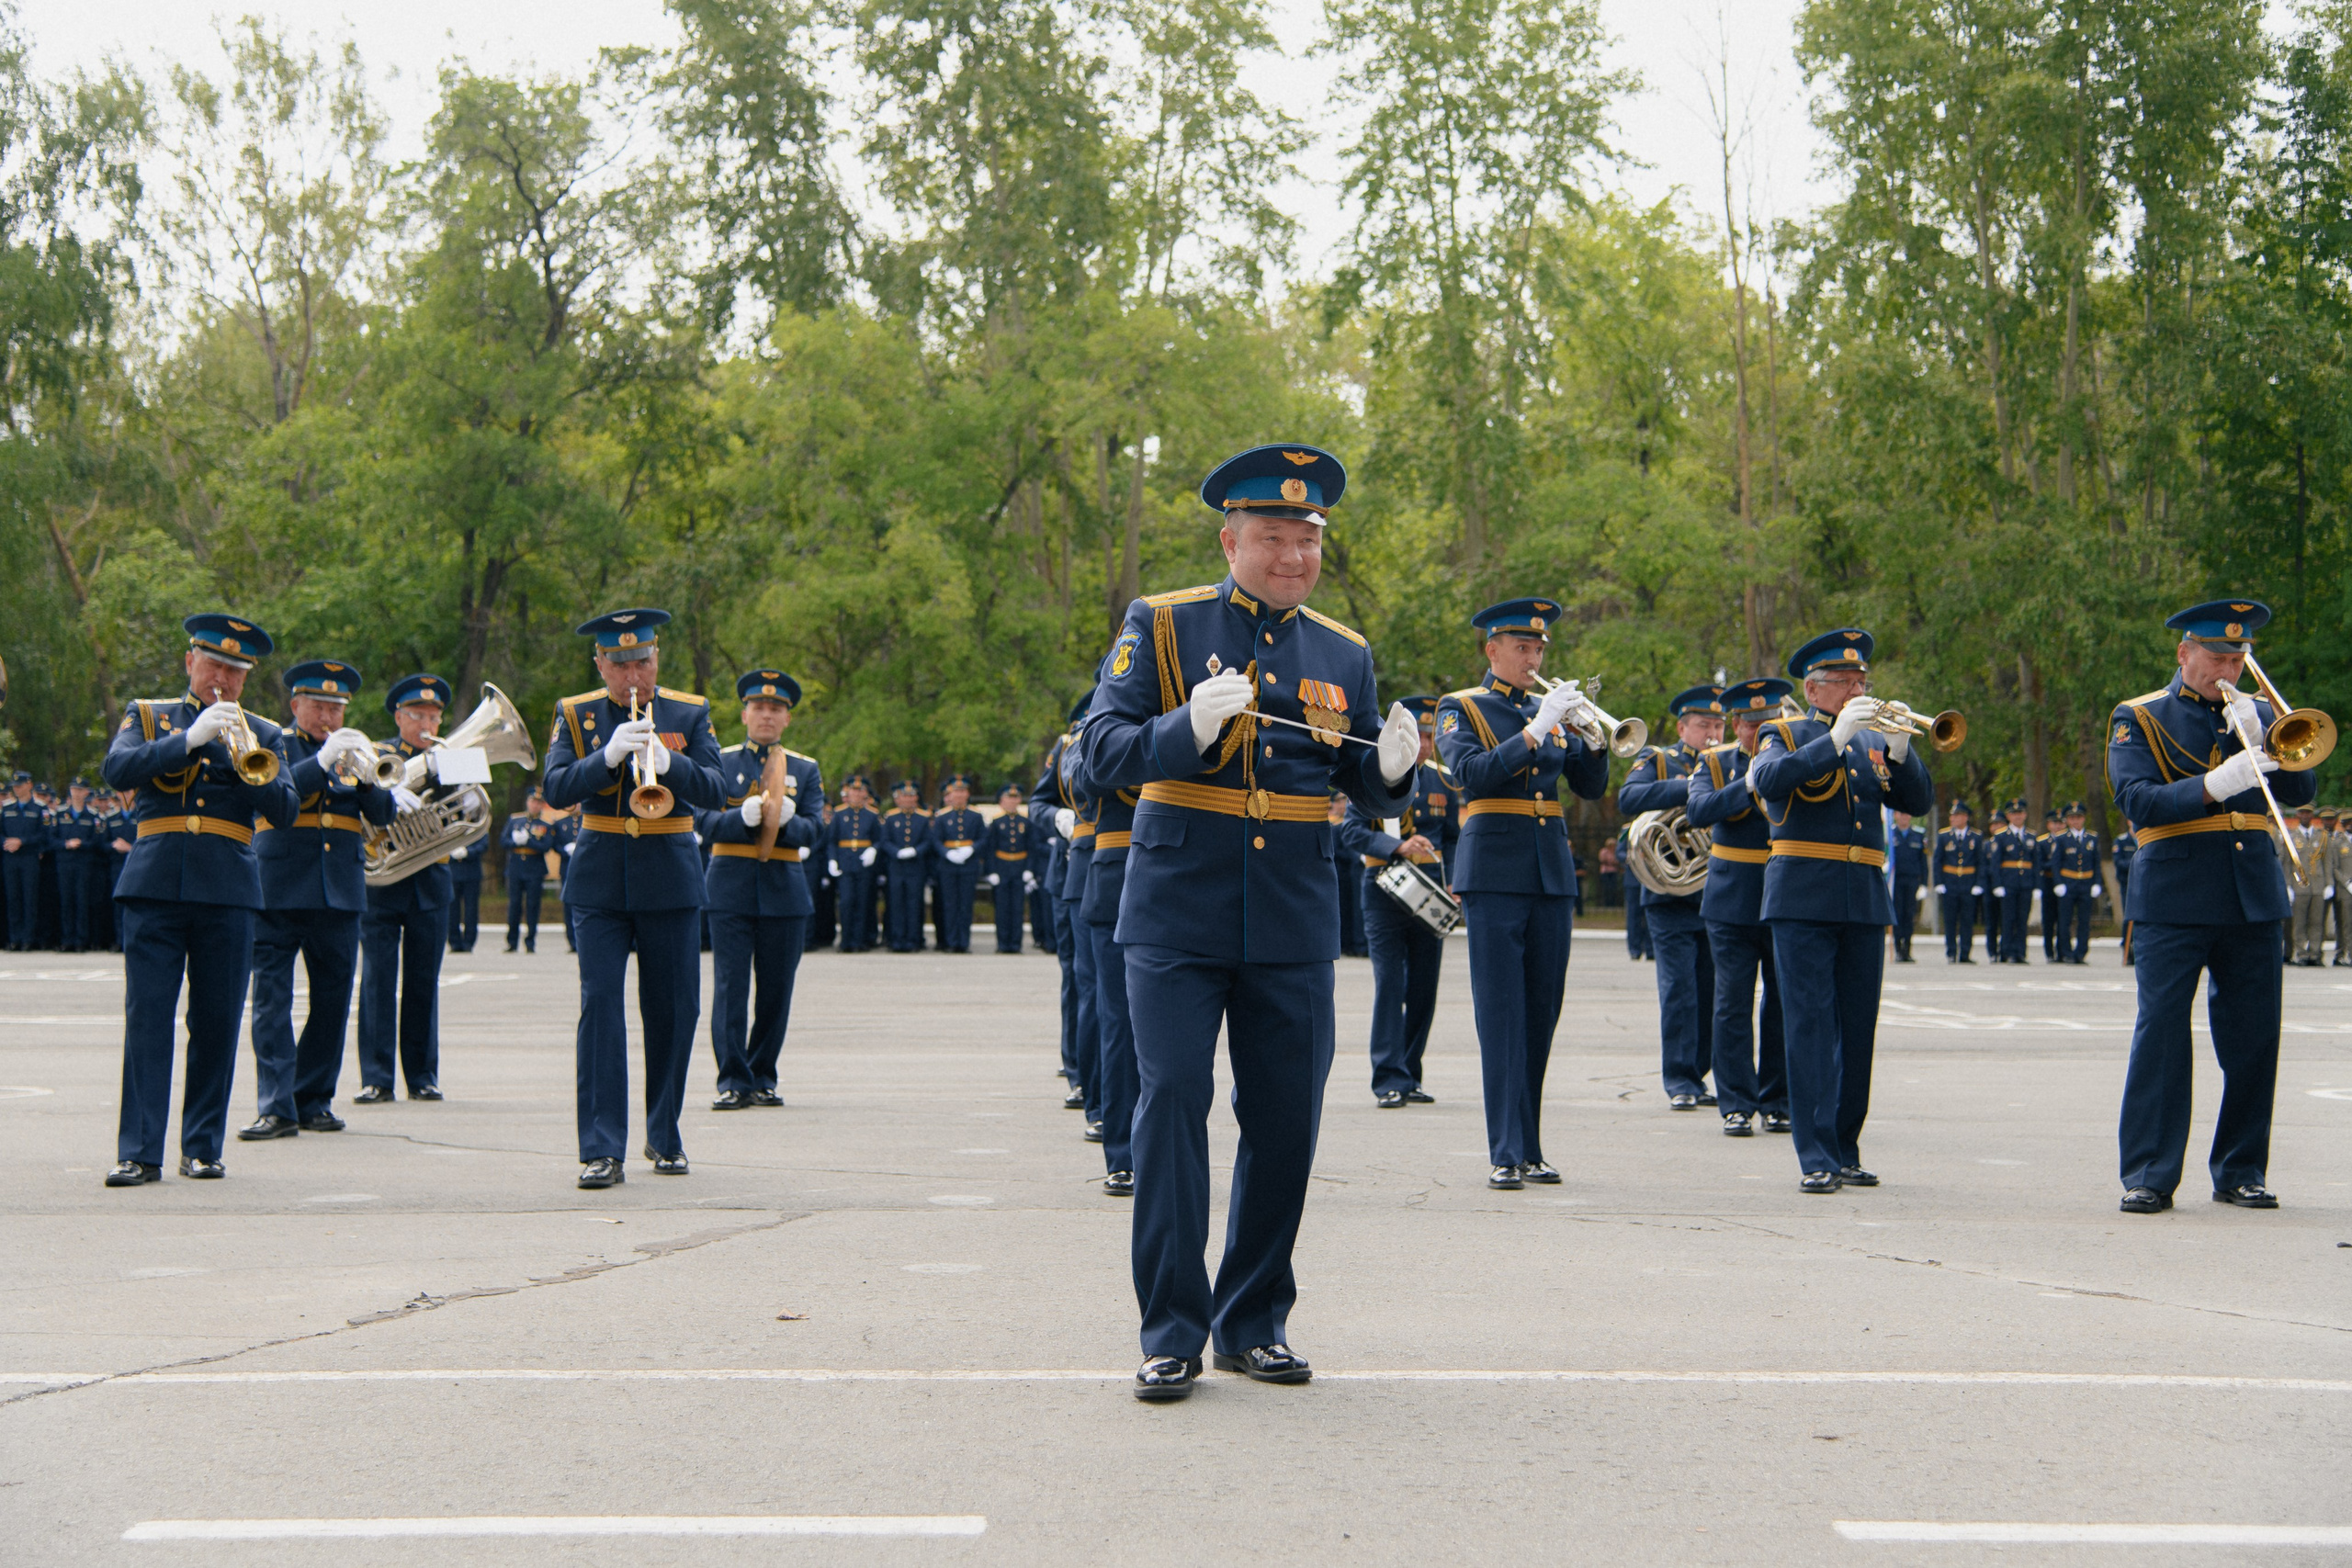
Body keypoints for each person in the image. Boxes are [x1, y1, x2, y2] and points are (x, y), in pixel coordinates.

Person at [1082, 441, 1419, 1401]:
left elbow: (1361, 783)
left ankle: (1253, 1319)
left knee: (1284, 1124)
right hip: (1176, 908)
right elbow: (1100, 751)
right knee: (1172, 1105)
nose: (1292, 557)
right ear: (1231, 539)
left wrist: (1393, 770)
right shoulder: (1162, 622)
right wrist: (1180, 731)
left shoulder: (1343, 650)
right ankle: (1171, 1330)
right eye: (1272, 537)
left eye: (1306, 539)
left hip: (1293, 915)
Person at [2109, 598, 2315, 1213]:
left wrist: (2268, 742)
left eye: (2239, 656)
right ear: (2184, 653)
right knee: (2164, 1034)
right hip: (2173, 896)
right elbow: (2138, 800)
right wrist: (2214, 784)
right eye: (2218, 656)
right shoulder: (2139, 716)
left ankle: (2241, 1168)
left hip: (2250, 893)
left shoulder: (2258, 712)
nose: (2229, 667)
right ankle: (2150, 1171)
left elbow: (2303, 789)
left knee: (2254, 1039)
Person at [101, 614, 300, 1184]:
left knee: (215, 1022)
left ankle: (202, 1146)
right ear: (190, 662)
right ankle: (139, 1151)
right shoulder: (149, 715)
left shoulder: (263, 734)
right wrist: (186, 741)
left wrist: (248, 766)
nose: (223, 678)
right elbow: (116, 769)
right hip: (155, 885)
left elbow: (284, 811)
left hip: (229, 890)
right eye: (214, 664)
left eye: (236, 671)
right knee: (148, 1020)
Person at [541, 607, 727, 1189]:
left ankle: (664, 1132)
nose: (632, 677)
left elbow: (718, 790)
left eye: (641, 662)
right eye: (619, 665)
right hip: (598, 879)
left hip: (669, 877)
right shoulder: (576, 713)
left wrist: (671, 764)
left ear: (656, 659)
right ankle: (601, 1148)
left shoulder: (689, 712)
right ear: (600, 664)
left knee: (675, 1010)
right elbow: (554, 788)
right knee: (600, 1008)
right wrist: (608, 756)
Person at [1749, 626, 1934, 1194]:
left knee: (1858, 1028)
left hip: (1862, 896)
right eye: (1846, 681)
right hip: (1803, 896)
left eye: (1862, 680)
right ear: (1814, 687)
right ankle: (1815, 1154)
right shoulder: (1780, 732)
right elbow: (1770, 782)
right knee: (1809, 1025)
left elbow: (1918, 802)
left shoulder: (1873, 742)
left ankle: (1846, 1146)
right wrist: (1833, 739)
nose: (1859, 689)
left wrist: (1901, 752)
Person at [1437, 599, 1611, 1192]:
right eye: (1521, 648)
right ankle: (1504, 1148)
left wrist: (1592, 737)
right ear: (1493, 650)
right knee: (1502, 1013)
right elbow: (1471, 774)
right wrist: (1536, 732)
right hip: (1493, 870)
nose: (1533, 657)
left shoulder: (1551, 710)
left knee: (1541, 1012)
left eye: (1539, 649)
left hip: (1550, 872)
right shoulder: (1460, 708)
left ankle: (1530, 1144)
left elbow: (1589, 785)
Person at [241, 659, 397, 1142]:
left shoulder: (356, 752)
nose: (329, 715)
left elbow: (384, 812)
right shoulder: (275, 746)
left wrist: (369, 774)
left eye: (336, 706)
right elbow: (273, 797)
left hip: (339, 890)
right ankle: (275, 1105)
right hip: (280, 885)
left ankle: (313, 1099)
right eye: (319, 705)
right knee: (272, 1000)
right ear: (295, 706)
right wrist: (324, 760)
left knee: (332, 1002)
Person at [697, 669, 822, 1111]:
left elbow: (816, 830)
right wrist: (740, 818)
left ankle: (763, 1074)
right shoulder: (720, 762)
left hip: (784, 891)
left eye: (776, 709)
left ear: (787, 718)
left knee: (775, 991)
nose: (767, 715)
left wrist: (789, 821)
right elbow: (702, 822)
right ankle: (732, 1078)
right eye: (760, 707)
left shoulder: (804, 769)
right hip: (730, 887)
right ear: (745, 713)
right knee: (730, 989)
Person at [1685, 677, 1794, 1136]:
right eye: (1751, 724)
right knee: (1730, 1003)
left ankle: (1777, 1099)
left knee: (1781, 1003)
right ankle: (1735, 1102)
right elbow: (1698, 811)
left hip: (1782, 893)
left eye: (1769, 720)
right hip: (1731, 898)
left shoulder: (1793, 760)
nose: (1760, 730)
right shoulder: (1714, 761)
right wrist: (1747, 785)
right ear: (1736, 724)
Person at [1339, 694, 1455, 1108]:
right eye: (1418, 735)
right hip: (1384, 886)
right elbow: (1351, 832)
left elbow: (1455, 837)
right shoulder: (1378, 773)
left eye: (1428, 736)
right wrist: (1397, 845)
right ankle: (1387, 1077)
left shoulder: (1444, 779)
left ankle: (1411, 1072)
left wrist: (1457, 881)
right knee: (1391, 984)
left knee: (1424, 987)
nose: (1423, 745)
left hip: (1430, 894)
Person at [1617, 683, 1725, 1110]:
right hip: (1669, 896)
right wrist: (1690, 788)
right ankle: (1679, 1080)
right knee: (1679, 988)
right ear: (1684, 727)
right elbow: (1629, 797)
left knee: (1712, 991)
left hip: (1716, 893)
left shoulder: (1730, 762)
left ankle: (1698, 1075)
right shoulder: (1660, 759)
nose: (1713, 732)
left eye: (1719, 724)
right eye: (1704, 725)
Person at [356, 674, 455, 1103]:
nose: (427, 722)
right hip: (382, 882)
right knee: (378, 981)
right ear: (399, 717)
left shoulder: (452, 756)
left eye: (434, 715)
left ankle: (422, 1075)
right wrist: (391, 789)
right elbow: (361, 805)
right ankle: (376, 1078)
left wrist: (445, 777)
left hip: (430, 881)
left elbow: (471, 811)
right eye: (418, 715)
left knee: (423, 982)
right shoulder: (376, 756)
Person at [1068, 669, 1144, 1195]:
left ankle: (1167, 1148)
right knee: (1120, 1024)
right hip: (1118, 875)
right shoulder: (1096, 725)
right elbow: (1082, 779)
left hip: (1194, 876)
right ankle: (1124, 1153)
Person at [1031, 699, 1093, 1103]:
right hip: (1070, 867)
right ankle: (1078, 1071)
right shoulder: (1069, 741)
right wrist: (1058, 819)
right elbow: (1040, 801)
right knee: (1075, 975)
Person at [929, 773, 986, 953]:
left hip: (968, 864)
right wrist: (948, 853)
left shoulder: (975, 816)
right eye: (956, 792)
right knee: (950, 904)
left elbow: (983, 837)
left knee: (965, 904)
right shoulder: (942, 816)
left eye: (962, 792)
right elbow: (936, 840)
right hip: (948, 865)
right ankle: (952, 941)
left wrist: (972, 849)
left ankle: (964, 941)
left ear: (967, 794)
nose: (959, 795)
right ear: (949, 795)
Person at [828, 774, 882, 953]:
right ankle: (846, 940)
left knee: (863, 902)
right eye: (853, 791)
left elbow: (878, 839)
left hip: (864, 864)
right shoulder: (840, 813)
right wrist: (833, 860)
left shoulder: (872, 815)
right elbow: (832, 841)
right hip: (845, 863)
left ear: (865, 794)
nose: (856, 795)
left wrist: (873, 849)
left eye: (860, 791)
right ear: (848, 793)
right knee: (846, 902)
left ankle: (859, 940)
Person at [981, 783, 1035, 953]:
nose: (1012, 801)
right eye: (1008, 798)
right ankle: (1003, 943)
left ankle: (1015, 944)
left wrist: (1029, 869)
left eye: (1015, 798)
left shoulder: (1025, 822)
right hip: (1002, 867)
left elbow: (1031, 847)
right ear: (1001, 801)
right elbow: (990, 848)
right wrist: (991, 871)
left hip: (1019, 867)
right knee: (1002, 908)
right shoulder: (997, 822)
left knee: (1017, 908)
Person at [51, 778, 104, 953]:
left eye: (80, 790)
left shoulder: (93, 816)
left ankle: (81, 939)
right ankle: (67, 939)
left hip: (83, 863)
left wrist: (81, 843)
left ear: (86, 792)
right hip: (64, 863)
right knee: (66, 900)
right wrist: (66, 844)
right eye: (73, 789)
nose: (76, 793)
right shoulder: (59, 814)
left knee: (82, 901)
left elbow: (97, 841)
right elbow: (51, 839)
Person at [878, 781, 930, 953]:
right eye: (904, 796)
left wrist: (915, 851)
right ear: (898, 799)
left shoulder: (923, 818)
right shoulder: (891, 818)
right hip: (896, 867)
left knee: (914, 904)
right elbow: (884, 841)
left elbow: (928, 841)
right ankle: (897, 939)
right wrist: (896, 852)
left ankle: (914, 940)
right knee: (895, 904)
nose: (908, 799)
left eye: (911, 796)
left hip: (915, 867)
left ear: (916, 798)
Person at [502, 790, 553, 952]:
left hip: (534, 868)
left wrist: (528, 841)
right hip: (516, 867)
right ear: (527, 802)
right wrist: (515, 842)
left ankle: (530, 942)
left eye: (538, 803)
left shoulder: (545, 824)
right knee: (514, 905)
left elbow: (546, 846)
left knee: (532, 906)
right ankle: (512, 942)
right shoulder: (515, 820)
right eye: (532, 801)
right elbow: (503, 841)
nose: (535, 805)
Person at [2050, 801, 2100, 964]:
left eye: (2078, 817)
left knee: (2084, 921)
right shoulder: (2062, 838)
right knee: (2065, 920)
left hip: (2086, 883)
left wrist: (2097, 883)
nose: (2076, 821)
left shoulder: (2092, 838)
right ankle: (2066, 952)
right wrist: (2058, 883)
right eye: (2072, 818)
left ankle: (2081, 952)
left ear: (2083, 818)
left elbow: (2096, 862)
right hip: (2068, 882)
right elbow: (2056, 863)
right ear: (2067, 820)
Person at [1985, 798, 2034, 964]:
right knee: (2008, 919)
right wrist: (1998, 884)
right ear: (2008, 816)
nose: (2017, 816)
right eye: (2014, 814)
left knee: (2022, 919)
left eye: (2020, 813)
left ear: (2025, 814)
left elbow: (2036, 863)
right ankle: (2006, 951)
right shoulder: (2001, 836)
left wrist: (2037, 885)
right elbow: (1995, 863)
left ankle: (2020, 952)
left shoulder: (2031, 836)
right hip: (2008, 883)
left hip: (2025, 883)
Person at [1934, 802, 1984, 963]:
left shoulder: (1976, 837)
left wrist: (1978, 883)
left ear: (1965, 817)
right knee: (1950, 920)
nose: (1953, 818)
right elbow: (1937, 861)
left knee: (1967, 920)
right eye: (1952, 815)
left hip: (1968, 883)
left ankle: (1965, 953)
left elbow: (1980, 862)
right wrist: (1939, 882)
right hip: (1950, 883)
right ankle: (1951, 952)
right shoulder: (1944, 836)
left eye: (1957, 816)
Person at [2, 769, 45, 950]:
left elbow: (44, 835)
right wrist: (6, 842)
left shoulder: (39, 808)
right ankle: (15, 938)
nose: (17, 789)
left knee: (29, 898)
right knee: (13, 898)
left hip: (29, 858)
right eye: (15, 786)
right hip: (10, 858)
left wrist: (23, 841)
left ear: (29, 785)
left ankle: (28, 938)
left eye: (20, 786)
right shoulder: (7, 808)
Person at [2286, 803, 2327, 966]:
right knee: (2299, 923)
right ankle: (2302, 954)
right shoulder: (2291, 836)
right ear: (2297, 815)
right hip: (2299, 886)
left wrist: (2328, 883)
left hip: (2318, 886)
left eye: (2308, 813)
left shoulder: (2321, 836)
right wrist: (2288, 885)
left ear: (2312, 815)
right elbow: (2287, 863)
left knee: (2317, 922)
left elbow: (2328, 862)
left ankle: (2315, 953)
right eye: (2302, 813)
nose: (2305, 816)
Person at [1330, 793, 1368, 958]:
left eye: (1344, 802)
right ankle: (1349, 944)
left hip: (1355, 869)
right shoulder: (1334, 824)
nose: (1342, 805)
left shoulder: (1351, 822)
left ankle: (1358, 944)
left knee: (1358, 909)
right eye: (1338, 802)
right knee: (1345, 910)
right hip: (1342, 871)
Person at [1888, 809, 1927, 962]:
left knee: (1909, 916)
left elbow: (1923, 862)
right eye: (1901, 814)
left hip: (1911, 881)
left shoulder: (1918, 835)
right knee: (1897, 915)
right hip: (1896, 880)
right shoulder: (1890, 835)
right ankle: (1898, 949)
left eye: (1906, 814)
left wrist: (1923, 883)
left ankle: (1907, 950)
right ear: (1896, 816)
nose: (1904, 817)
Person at [446, 818, 483, 953]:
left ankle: (469, 942)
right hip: (453, 871)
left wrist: (469, 852)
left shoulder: (478, 821)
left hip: (471, 872)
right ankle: (454, 941)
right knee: (452, 909)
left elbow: (483, 844)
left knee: (471, 909)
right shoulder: (451, 821)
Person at [548, 804, 581, 953]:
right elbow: (555, 845)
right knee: (568, 905)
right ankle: (572, 941)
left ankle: (582, 940)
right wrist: (565, 850)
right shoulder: (561, 823)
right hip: (567, 868)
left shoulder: (587, 821)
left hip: (583, 868)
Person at [2037, 807, 2064, 962]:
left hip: (2065, 882)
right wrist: (2055, 864)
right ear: (2048, 825)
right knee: (2048, 919)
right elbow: (2040, 864)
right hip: (2048, 881)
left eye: (2060, 823)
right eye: (2054, 823)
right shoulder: (2042, 842)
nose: (2057, 826)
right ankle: (2049, 951)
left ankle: (2061, 951)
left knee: (2063, 919)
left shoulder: (2067, 840)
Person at [2113, 819, 2138, 966]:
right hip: (2128, 884)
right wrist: (2138, 863)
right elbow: (2119, 863)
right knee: (2128, 918)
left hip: (2145, 884)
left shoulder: (2146, 837)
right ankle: (2127, 951)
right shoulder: (2121, 841)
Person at [2328, 809, 2351, 965]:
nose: (2350, 825)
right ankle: (2348, 952)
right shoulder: (2337, 843)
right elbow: (2334, 867)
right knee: (2346, 922)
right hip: (2345, 889)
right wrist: (2347, 882)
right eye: (2347, 823)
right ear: (2342, 825)